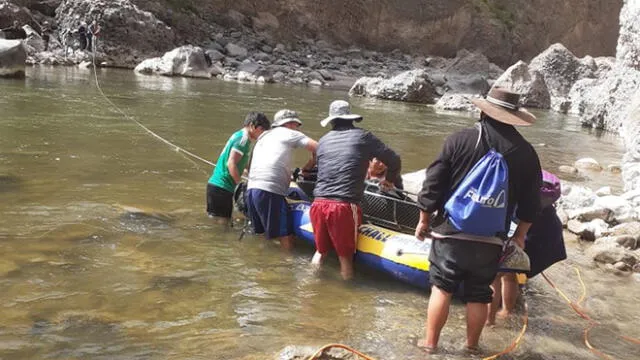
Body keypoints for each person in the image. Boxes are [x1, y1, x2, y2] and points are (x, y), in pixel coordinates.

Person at [414, 87, 542, 354]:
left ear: (483, 110)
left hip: (451, 232)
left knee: (442, 287)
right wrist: (519, 235)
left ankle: (430, 344)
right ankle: (472, 347)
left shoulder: (460, 140)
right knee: (480, 293)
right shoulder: (527, 154)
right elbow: (532, 203)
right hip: (491, 237)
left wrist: (424, 219)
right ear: (514, 117)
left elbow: (433, 184)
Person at [311, 100, 401, 280]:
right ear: (350, 118)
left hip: (318, 203)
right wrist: (389, 181)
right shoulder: (363, 137)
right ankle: (346, 300)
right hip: (343, 206)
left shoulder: (323, 141)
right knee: (346, 259)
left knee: (320, 252)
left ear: (332, 121)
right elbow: (394, 159)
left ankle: (309, 291)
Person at [487, 170, 565, 325]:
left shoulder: (518, 193)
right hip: (549, 235)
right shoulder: (541, 200)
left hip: (537, 238)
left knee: (497, 274)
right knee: (509, 272)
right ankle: (506, 310)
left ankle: (493, 318)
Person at [245, 109, 318, 250]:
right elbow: (321, 148)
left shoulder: (264, 137)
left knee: (262, 234)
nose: (298, 128)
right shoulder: (289, 133)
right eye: (297, 125)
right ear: (290, 123)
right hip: (269, 190)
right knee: (286, 235)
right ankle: (286, 265)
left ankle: (260, 261)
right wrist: (311, 163)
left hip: (252, 189)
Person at [207, 112, 271, 224]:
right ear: (252, 125)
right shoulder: (243, 140)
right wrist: (240, 187)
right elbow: (231, 164)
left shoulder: (241, 136)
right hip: (221, 187)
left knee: (220, 221)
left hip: (219, 187)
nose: (262, 134)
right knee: (222, 223)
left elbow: (242, 163)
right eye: (261, 130)